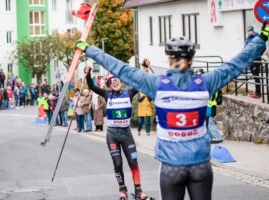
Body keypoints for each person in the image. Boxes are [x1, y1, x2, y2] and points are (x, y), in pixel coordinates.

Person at [76, 22, 269, 200]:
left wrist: (88, 49)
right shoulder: (206, 82)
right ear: (192, 60)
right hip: (200, 165)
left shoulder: (157, 85)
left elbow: (120, 68)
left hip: (171, 166)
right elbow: (236, 64)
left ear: (169, 60)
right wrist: (262, 38)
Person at [85, 67, 148, 200]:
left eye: (116, 79)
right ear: (108, 85)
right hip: (113, 134)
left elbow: (141, 82)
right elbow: (91, 85)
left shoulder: (129, 93)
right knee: (118, 163)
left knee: (133, 162)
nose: (115, 82)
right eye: (111, 81)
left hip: (126, 134)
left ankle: (138, 191)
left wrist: (145, 68)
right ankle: (122, 189)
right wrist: (88, 73)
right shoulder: (107, 94)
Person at [137, 59, 153, 136]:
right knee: (140, 121)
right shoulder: (139, 89)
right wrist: (144, 96)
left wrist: (148, 96)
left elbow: (151, 99)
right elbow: (138, 99)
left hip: (148, 107)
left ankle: (148, 131)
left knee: (148, 121)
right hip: (141, 107)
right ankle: (139, 130)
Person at [245, 25, 262, 99]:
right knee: (254, 75)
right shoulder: (248, 38)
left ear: (253, 30)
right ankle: (257, 92)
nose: (249, 32)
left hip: (256, 59)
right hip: (250, 59)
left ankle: (258, 93)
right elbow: (245, 47)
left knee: (256, 75)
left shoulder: (257, 37)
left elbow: (261, 46)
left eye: (250, 31)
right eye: (248, 31)